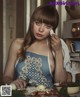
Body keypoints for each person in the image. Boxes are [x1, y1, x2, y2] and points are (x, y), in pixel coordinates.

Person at [3, 5, 70, 89]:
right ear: (32, 22)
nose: (41, 30)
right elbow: (6, 76)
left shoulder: (56, 47)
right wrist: (12, 82)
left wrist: (58, 51)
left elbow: (60, 84)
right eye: (37, 23)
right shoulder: (17, 44)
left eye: (47, 26)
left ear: (52, 30)